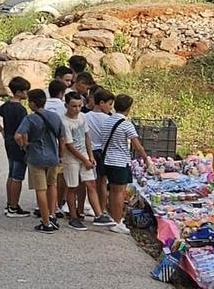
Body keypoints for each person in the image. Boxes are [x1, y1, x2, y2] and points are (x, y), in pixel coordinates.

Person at [101, 93, 155, 235]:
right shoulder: (126, 124)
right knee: (119, 192)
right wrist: (146, 159)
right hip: (120, 162)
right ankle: (118, 222)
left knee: (112, 191)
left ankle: (113, 218)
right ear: (128, 108)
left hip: (107, 160)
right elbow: (137, 146)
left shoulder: (107, 121)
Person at [15, 89, 66, 233]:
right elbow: (62, 139)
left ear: (32, 103)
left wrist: (25, 146)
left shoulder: (30, 119)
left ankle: (45, 222)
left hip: (36, 157)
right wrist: (60, 155)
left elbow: (18, 135)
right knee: (52, 185)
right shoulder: (55, 117)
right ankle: (52, 214)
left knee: (40, 189)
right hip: (53, 157)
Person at [0, 77, 32, 218]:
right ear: (19, 92)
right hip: (18, 143)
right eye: (25, 90)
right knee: (18, 176)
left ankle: (10, 203)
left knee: (11, 173)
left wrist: (1, 130)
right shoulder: (21, 110)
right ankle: (14, 206)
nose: (27, 93)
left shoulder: (6, 105)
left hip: (8, 141)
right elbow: (23, 131)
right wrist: (25, 146)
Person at [59, 94, 98, 231]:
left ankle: (99, 214)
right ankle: (73, 216)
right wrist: (84, 159)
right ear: (67, 106)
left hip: (85, 155)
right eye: (73, 106)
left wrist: (90, 156)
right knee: (72, 187)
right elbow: (69, 145)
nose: (77, 109)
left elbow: (87, 136)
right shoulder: (64, 122)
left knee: (91, 183)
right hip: (71, 158)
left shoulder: (83, 117)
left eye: (79, 106)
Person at [85, 89, 118, 227]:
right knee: (102, 182)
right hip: (102, 152)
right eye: (109, 104)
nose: (111, 108)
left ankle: (93, 208)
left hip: (89, 151)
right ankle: (102, 209)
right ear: (101, 103)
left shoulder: (85, 116)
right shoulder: (109, 119)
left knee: (90, 182)